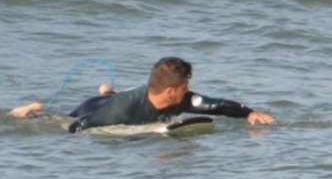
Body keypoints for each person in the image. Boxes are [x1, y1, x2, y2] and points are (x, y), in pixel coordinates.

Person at [10, 57, 275, 133]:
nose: (189, 90)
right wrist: (40, 121)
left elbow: (217, 106)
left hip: (123, 99)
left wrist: (249, 112)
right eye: (185, 85)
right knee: (63, 119)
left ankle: (108, 90)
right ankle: (31, 111)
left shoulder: (181, 98)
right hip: (95, 108)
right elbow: (78, 127)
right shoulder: (121, 110)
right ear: (171, 90)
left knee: (115, 96)